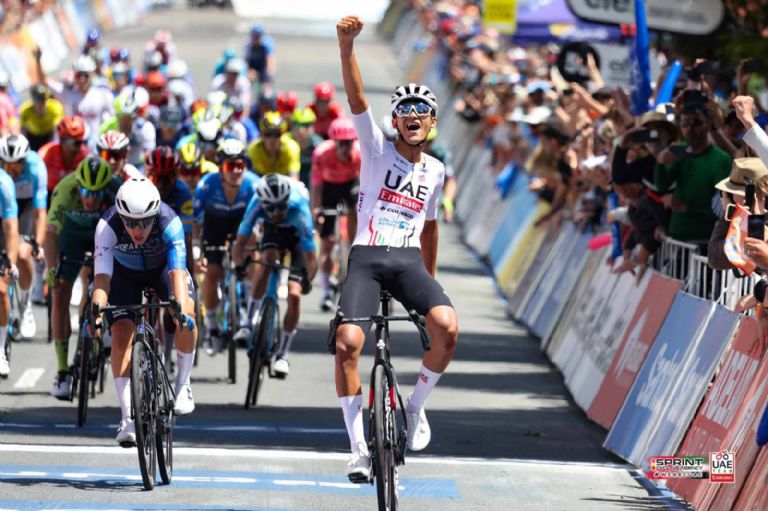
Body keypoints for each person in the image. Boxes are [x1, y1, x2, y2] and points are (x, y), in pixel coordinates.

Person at [334, 16, 458, 481]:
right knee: (348, 345)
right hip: (367, 256)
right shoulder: (376, 149)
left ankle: (415, 408)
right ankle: (358, 450)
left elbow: (430, 230)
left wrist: (432, 281)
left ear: (430, 123)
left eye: (420, 111)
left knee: (447, 326)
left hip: (408, 262)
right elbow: (357, 99)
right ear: (396, 120)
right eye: (403, 110)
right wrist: (346, 49)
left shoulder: (436, 171)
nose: (411, 116)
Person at [92, 177, 197, 446]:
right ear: (121, 215)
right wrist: (97, 312)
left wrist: (180, 309)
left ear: (155, 214)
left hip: (163, 270)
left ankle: (183, 385)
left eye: (144, 222)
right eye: (130, 222)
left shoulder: (169, 222)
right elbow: (102, 277)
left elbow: (176, 272)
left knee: (187, 315)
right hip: (124, 275)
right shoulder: (107, 226)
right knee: (120, 333)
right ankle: (127, 418)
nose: (137, 229)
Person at [46, 156, 119, 398]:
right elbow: (51, 234)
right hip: (73, 236)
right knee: (59, 292)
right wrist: (50, 269)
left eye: (97, 193)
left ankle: (101, 330)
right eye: (86, 191)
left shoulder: (116, 191)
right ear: (78, 185)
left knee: (110, 283)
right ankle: (63, 371)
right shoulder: (65, 189)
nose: (91, 198)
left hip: (105, 235)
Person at [232, 174, 317, 377]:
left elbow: (311, 258)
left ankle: (283, 355)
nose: (277, 212)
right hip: (272, 232)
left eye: (281, 206)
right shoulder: (256, 205)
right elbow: (240, 243)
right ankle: (247, 323)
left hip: (296, 237)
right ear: (263, 204)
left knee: (294, 295)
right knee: (267, 261)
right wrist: (239, 265)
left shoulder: (299, 208)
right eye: (271, 208)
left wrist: (307, 280)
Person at [193, 139, 259, 352]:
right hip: (215, 225)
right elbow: (196, 221)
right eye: (230, 166)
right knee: (212, 274)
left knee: (253, 246)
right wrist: (196, 248)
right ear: (221, 168)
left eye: (240, 165)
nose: (236, 171)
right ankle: (212, 328)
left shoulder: (253, 184)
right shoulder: (206, 185)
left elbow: (261, 219)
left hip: (242, 223)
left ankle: (249, 308)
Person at [310, 117, 361, 311]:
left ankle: (353, 248)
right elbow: (315, 184)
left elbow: (365, 183)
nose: (345, 148)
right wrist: (316, 210)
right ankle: (325, 291)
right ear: (334, 142)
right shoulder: (322, 153)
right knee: (327, 242)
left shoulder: (358, 153)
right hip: (329, 188)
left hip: (350, 186)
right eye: (342, 144)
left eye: (349, 143)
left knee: (356, 212)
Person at [0, 134, 47, 340]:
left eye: (16, 164)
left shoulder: (36, 168)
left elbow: (40, 212)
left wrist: (37, 243)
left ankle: (26, 303)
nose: (11, 169)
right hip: (5, 207)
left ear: (25, 160)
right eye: (6, 164)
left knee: (22, 252)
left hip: (27, 207)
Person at [55, 55, 115, 141]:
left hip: (95, 144)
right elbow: (44, 82)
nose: (82, 79)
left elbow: (114, 120)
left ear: (93, 75)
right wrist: (38, 60)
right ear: (74, 75)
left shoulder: (104, 95)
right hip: (74, 144)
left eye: (86, 75)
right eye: (79, 75)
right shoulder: (67, 92)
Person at [100, 87, 156, 169]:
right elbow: (100, 155)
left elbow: (149, 158)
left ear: (135, 117)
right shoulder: (107, 127)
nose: (125, 122)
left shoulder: (146, 128)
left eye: (129, 117)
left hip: (138, 166)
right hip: (114, 164)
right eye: (122, 117)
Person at [40, 116, 90, 197]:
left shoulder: (85, 156)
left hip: (74, 195)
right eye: (73, 143)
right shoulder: (46, 153)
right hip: (49, 193)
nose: (75, 148)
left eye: (79, 143)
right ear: (61, 140)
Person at [0, 165, 19, 378]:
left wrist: (10, 263)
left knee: (2, 290)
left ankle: (0, 349)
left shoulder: (3, 184)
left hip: (2, 232)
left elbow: (11, 229)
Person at [248, 112, 301, 179]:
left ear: (283, 134)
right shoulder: (253, 150)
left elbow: (294, 179)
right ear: (261, 134)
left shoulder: (291, 148)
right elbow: (251, 180)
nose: (272, 139)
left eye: (277, 134)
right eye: (268, 134)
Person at [423, 128, 457, 222]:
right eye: (424, 141)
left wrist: (448, 203)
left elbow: (450, 180)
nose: (425, 145)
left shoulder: (440, 155)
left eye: (429, 142)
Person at [19, 84, 64, 151]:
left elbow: (57, 129)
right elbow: (23, 130)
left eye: (44, 100)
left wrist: (54, 144)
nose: (41, 103)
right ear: (33, 100)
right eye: (38, 100)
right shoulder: (25, 111)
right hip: (33, 137)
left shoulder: (55, 108)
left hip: (49, 135)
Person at [291, 107, 323, 189]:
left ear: (312, 128)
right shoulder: (286, 143)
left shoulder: (318, 146)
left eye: (306, 125)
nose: (301, 130)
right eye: (297, 125)